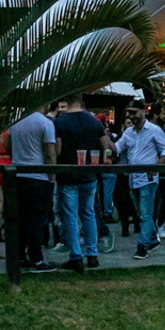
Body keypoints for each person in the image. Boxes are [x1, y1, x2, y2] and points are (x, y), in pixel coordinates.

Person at [54, 92, 112, 273]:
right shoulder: (94, 122)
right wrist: (106, 160)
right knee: (89, 214)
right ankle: (93, 254)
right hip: (89, 174)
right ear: (81, 100)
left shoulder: (60, 123)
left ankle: (76, 256)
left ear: (65, 100)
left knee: (70, 217)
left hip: (68, 174)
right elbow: (106, 146)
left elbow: (57, 150)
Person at [115, 103, 165, 259]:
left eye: (134, 112)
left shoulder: (154, 130)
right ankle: (152, 239)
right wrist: (107, 145)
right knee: (140, 212)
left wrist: (158, 166)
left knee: (145, 213)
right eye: (128, 113)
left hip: (149, 178)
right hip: (133, 178)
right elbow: (117, 147)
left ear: (143, 112)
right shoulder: (128, 133)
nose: (131, 116)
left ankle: (142, 246)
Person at [9, 104, 59, 273]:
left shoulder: (15, 122)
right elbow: (50, 152)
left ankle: (20, 256)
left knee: (21, 219)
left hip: (18, 174)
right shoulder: (45, 123)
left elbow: (9, 147)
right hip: (38, 176)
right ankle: (36, 259)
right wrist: (51, 176)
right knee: (36, 220)